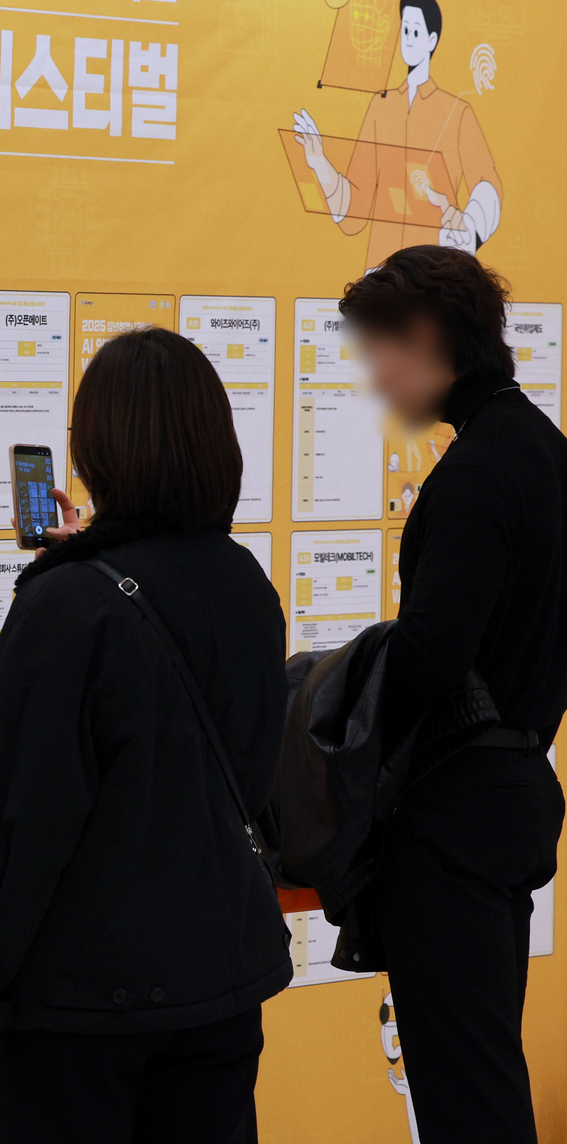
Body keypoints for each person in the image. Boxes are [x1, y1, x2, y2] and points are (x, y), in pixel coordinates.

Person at [0, 327, 291, 1143]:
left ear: (101, 448)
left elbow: (9, 811)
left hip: (84, 1005)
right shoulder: (246, 585)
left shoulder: (69, 604)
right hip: (219, 982)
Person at [339, 244, 567, 1143]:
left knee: (466, 1095)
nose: (376, 378)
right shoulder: (544, 451)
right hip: (517, 790)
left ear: (430, 336)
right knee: (483, 1065)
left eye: (381, 351)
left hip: (454, 816)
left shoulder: (477, 473)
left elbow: (431, 654)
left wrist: (340, 712)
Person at [293, 0, 502, 270]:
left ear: (431, 40)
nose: (408, 40)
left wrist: (465, 226)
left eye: (415, 32)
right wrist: (319, 162)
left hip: (437, 272)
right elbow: (355, 209)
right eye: (404, 31)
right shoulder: (381, 105)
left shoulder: (457, 112)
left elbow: (488, 183)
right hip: (384, 273)